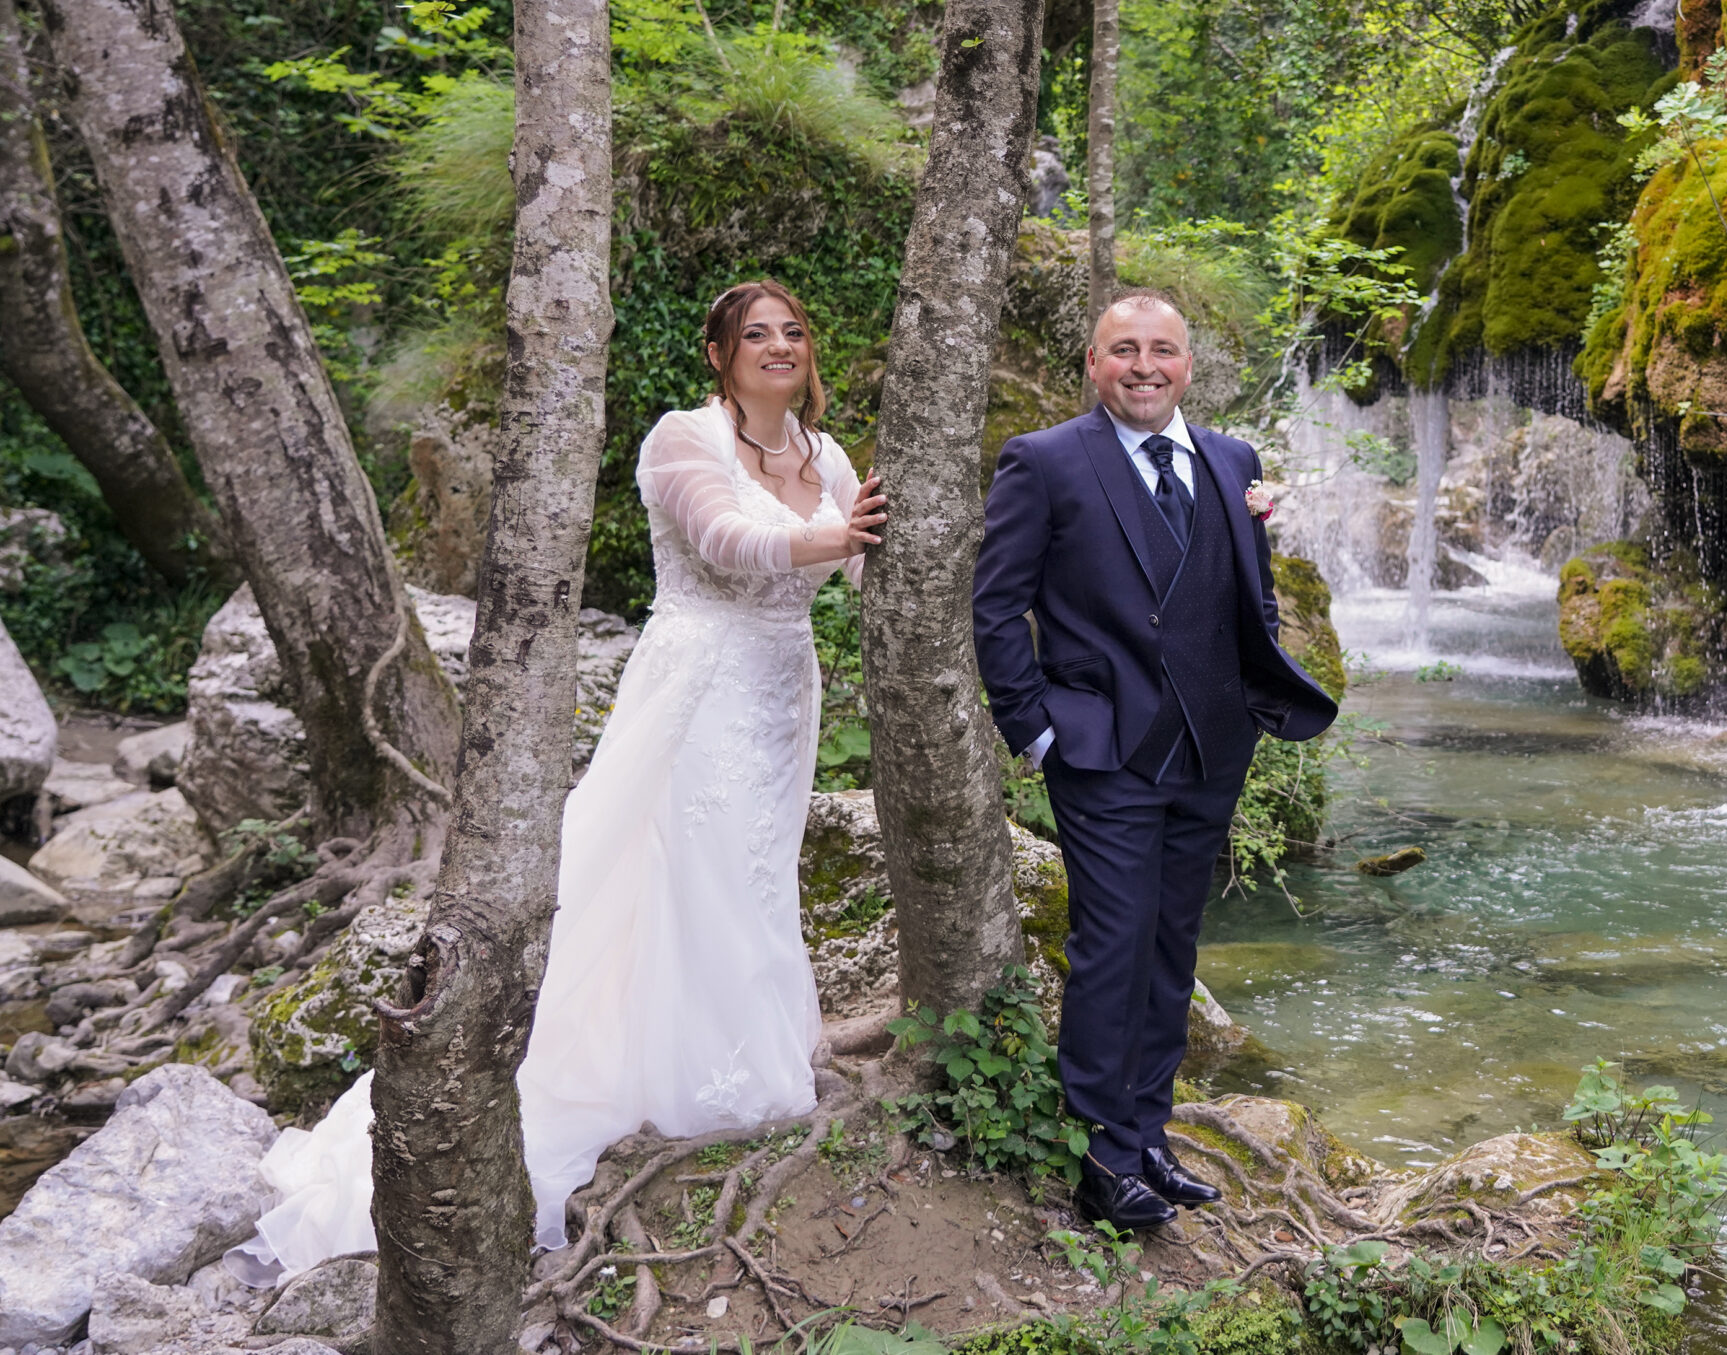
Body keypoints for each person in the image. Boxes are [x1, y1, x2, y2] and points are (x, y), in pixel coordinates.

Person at [230, 279, 888, 1277]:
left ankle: (752, 1054)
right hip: (698, 683)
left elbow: (864, 569)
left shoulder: (826, 456)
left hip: (782, 693)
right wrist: (835, 536)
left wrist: (895, 548)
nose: (778, 346)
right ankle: (691, 1083)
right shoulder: (681, 437)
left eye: (793, 330)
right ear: (717, 353)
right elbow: (727, 541)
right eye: (755, 334)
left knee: (758, 869)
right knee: (682, 867)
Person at [972, 290, 1337, 1230]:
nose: (1145, 366)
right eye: (1123, 350)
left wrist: (1255, 709)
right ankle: (1099, 1154)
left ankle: (1147, 1133)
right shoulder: (1046, 461)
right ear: (1092, 364)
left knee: (1173, 945)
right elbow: (996, 605)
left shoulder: (1231, 460)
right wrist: (1039, 728)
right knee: (1112, 944)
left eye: (1163, 350)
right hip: (1104, 750)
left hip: (1211, 746)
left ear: (1189, 363)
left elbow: (1245, 596)